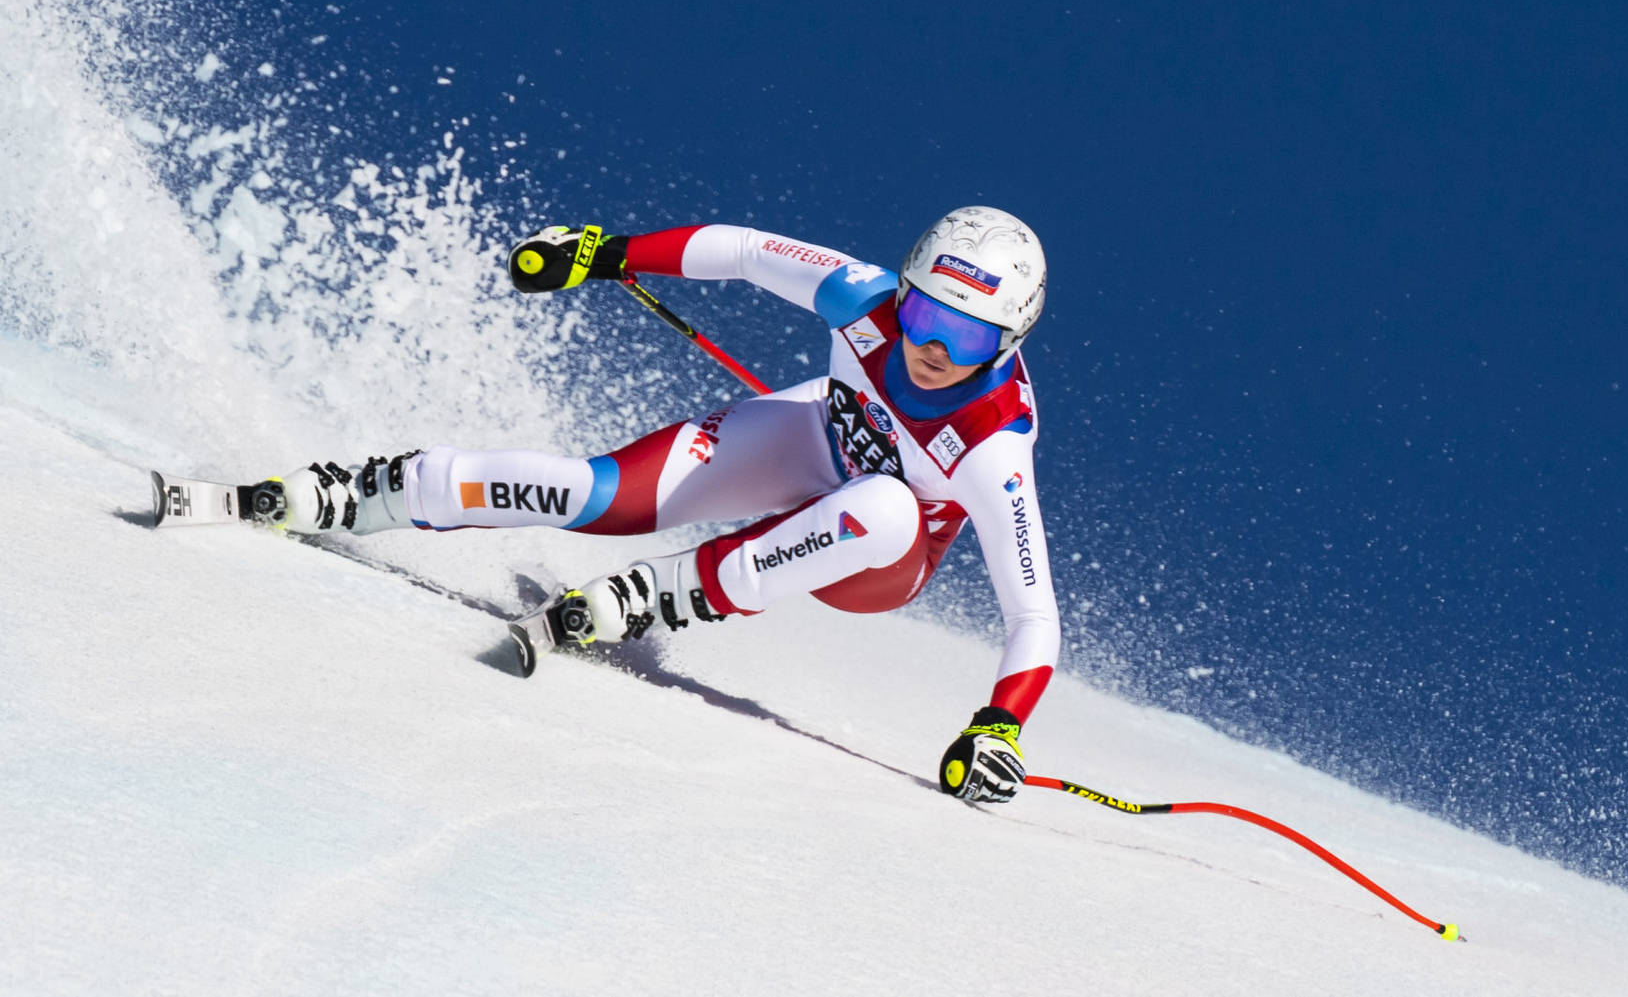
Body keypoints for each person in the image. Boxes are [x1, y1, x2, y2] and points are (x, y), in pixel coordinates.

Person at [253, 207, 1056, 805]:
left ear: (1008, 344)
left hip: (879, 556)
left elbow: (1032, 617)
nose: (934, 348)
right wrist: (605, 254)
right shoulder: (861, 296)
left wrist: (998, 726)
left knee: (882, 504)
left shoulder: (993, 447)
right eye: (923, 314)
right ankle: (373, 492)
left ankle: (658, 595)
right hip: (813, 438)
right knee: (592, 491)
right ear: (904, 290)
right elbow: (744, 251)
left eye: (969, 337)